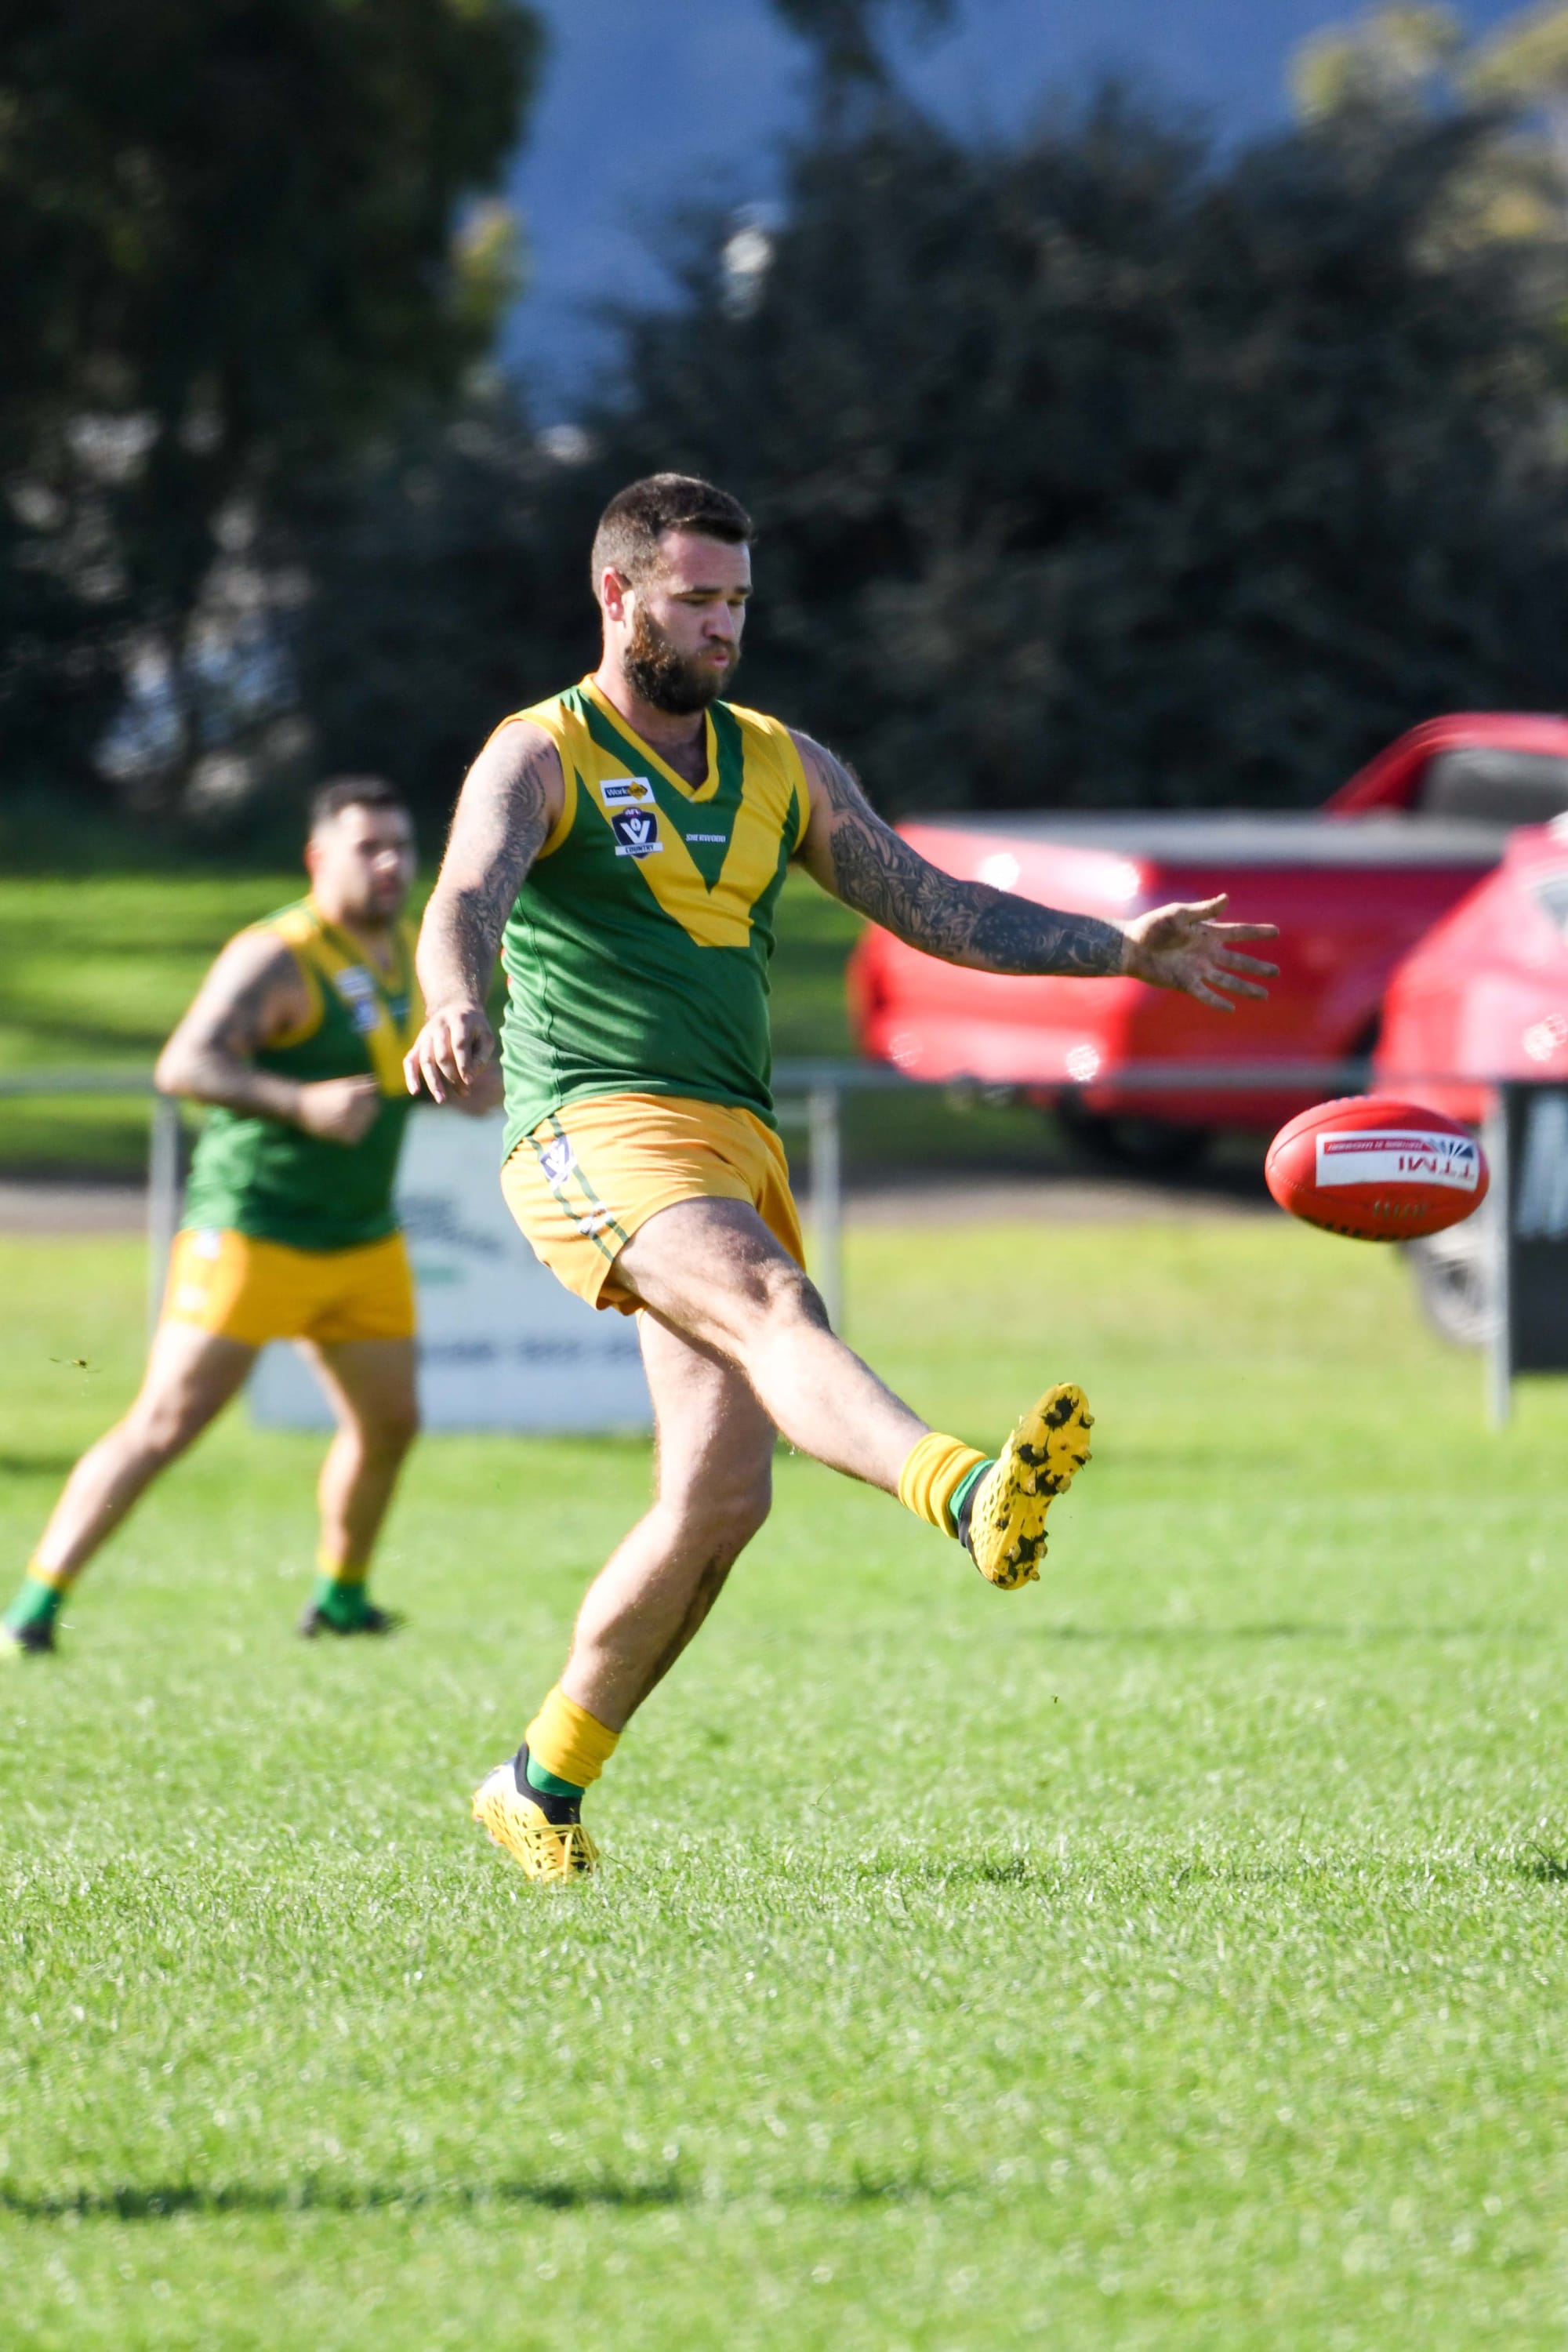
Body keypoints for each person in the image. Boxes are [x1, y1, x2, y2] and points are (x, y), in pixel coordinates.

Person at [405, 474, 1279, 1881]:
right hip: (591, 1125)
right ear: (617, 595)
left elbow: (935, 904)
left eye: (739, 601)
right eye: (696, 598)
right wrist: (451, 1006)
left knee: (717, 1505)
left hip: (729, 1134)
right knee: (771, 1300)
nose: (723, 627)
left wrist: (1117, 948)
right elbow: (464, 899)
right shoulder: (540, 754)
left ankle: (537, 1785)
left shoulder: (780, 764)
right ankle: (966, 1494)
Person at [4, 779, 470, 1657]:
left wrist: (461, 1084)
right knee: (165, 1425)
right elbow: (182, 1065)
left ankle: (341, 1598)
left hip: (361, 1235)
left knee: (391, 1423)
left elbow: (404, 1073)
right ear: (317, 857)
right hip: (254, 1232)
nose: (389, 866)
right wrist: (299, 1106)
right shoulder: (277, 954)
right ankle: (32, 1607)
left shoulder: (407, 952)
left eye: (400, 848)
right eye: (366, 848)